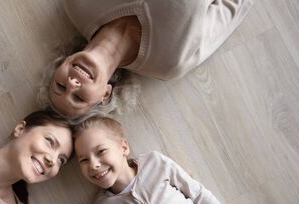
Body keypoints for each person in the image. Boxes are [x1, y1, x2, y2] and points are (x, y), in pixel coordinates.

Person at [40, 0, 255, 120]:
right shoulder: (170, 63)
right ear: (105, 94)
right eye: (78, 98)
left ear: (62, 64)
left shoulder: (77, 4)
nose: (71, 84)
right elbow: (232, 7)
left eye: (60, 86)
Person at [73, 116, 261, 204]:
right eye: (84, 160)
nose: (94, 164)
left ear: (124, 147)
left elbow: (199, 195)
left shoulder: (155, 164)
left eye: (101, 151)